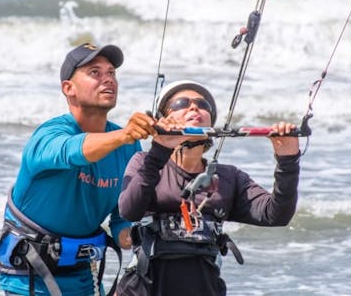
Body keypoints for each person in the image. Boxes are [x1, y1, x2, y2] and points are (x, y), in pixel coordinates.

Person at [0, 43, 157, 296]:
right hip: (30, 278)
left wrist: (133, 237)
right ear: (68, 88)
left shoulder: (128, 146)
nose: (108, 79)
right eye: (95, 72)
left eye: (111, 73)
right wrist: (123, 135)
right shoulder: (47, 135)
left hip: (85, 276)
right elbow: (73, 151)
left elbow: (121, 216)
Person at [117, 80, 300, 296]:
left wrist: (288, 162)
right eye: (181, 103)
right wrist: (159, 150)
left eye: (203, 104)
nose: (194, 107)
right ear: (163, 118)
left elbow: (276, 215)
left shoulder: (228, 177)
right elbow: (129, 210)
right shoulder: (145, 161)